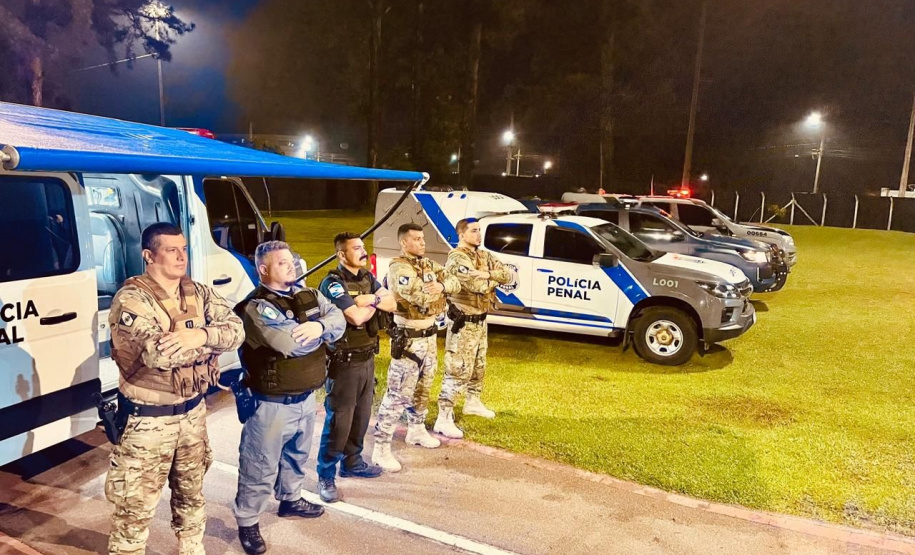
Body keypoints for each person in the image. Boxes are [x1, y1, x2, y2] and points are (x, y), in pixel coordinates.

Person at [106, 222, 244, 555]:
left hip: (193, 415)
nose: (181, 256)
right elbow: (158, 355)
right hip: (147, 424)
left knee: (192, 496)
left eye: (183, 248)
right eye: (171, 250)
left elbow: (237, 330)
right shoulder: (131, 300)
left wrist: (201, 336)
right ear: (149, 256)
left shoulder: (197, 291)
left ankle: (192, 549)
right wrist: (213, 340)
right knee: (134, 511)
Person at [233, 241, 345, 555]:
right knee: (260, 465)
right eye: (281, 263)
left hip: (304, 399)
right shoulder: (256, 307)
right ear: (263, 269)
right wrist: (322, 331)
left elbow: (340, 319)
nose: (291, 265)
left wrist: (318, 325)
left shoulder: (307, 295)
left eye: (290, 260)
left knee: (296, 456)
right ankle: (248, 521)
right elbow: (289, 344)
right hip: (270, 404)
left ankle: (291, 499)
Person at [371, 223, 461, 472]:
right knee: (398, 394)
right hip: (409, 340)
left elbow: (456, 282)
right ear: (404, 242)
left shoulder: (429, 265)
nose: (422, 243)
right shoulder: (398, 267)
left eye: (423, 239)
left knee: (423, 389)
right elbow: (416, 296)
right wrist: (440, 294)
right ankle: (381, 448)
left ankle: (416, 430)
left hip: (430, 339)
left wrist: (442, 287)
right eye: (417, 239)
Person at [315, 232, 396, 502]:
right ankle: (325, 474)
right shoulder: (333, 283)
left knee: (361, 417)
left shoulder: (368, 279)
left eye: (363, 247)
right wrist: (374, 300)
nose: (363, 252)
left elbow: (393, 303)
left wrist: (367, 299)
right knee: (340, 421)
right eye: (356, 248)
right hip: (344, 363)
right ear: (341, 254)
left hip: (367, 358)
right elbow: (356, 316)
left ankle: (352, 462)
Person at [434, 219, 514, 439]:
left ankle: (473, 402)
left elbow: (510, 275)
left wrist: (487, 275)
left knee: (479, 365)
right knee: (458, 368)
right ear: (461, 234)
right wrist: (491, 279)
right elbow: (475, 286)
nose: (479, 235)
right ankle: (444, 416)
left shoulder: (484, 255)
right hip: (464, 322)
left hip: (481, 320)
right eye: (474, 231)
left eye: (480, 230)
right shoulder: (457, 258)